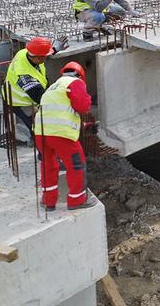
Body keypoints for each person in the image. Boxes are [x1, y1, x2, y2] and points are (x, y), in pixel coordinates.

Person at [34, 61, 96, 211]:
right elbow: (82, 106)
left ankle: (48, 201)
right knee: (75, 164)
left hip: (41, 133)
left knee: (48, 165)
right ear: (80, 75)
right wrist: (87, 97)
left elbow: (59, 114)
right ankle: (77, 200)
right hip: (61, 136)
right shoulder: (75, 82)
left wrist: (85, 126)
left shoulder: (53, 87)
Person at [1, 36, 67, 136]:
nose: (45, 58)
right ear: (37, 58)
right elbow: (43, 99)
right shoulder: (26, 78)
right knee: (38, 128)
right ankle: (40, 147)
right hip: (20, 102)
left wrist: (53, 49)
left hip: (23, 93)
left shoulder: (24, 52)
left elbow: (39, 53)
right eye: (44, 57)